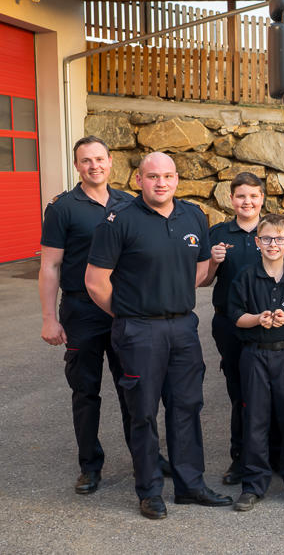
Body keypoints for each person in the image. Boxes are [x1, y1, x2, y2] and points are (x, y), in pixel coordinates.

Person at [86, 152, 231, 519]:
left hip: (183, 327)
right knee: (144, 413)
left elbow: (201, 268)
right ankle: (149, 490)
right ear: (139, 180)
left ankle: (190, 485)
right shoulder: (118, 220)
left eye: (168, 176)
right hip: (139, 330)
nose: (161, 183)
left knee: (187, 407)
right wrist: (127, 315)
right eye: (153, 176)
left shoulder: (194, 216)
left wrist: (175, 293)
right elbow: (95, 281)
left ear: (177, 179)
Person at [39, 135, 134, 494]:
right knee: (85, 391)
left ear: (110, 161)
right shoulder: (62, 207)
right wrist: (49, 318)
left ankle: (147, 458)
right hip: (81, 311)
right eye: (86, 160)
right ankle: (90, 466)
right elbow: (50, 266)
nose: (94, 166)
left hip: (123, 309)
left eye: (99, 159)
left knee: (135, 389)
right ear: (77, 165)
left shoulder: (130, 203)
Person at [201, 172, 284, 486]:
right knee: (241, 392)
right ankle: (241, 458)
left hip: (274, 326)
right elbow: (204, 280)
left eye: (253, 196)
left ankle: (276, 454)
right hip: (231, 324)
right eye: (241, 196)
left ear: (262, 199)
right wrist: (213, 262)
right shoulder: (218, 233)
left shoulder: (274, 232)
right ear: (231, 199)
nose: (247, 202)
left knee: (276, 392)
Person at [228, 214, 284, 512]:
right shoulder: (245, 276)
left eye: (279, 239)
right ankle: (253, 484)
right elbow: (236, 316)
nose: (273, 244)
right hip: (254, 355)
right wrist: (257, 319)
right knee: (255, 419)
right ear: (257, 242)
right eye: (266, 238)